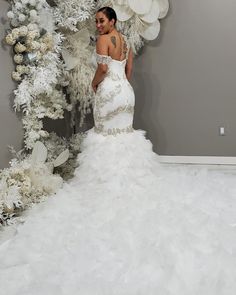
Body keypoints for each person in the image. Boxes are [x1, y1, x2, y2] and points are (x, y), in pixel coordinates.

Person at [0, 7, 236, 295]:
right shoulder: (123, 39)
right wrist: (118, 81)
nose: (97, 24)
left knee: (106, 136)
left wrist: (95, 84)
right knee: (123, 135)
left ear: (112, 20)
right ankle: (130, 180)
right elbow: (129, 68)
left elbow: (100, 69)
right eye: (96, 21)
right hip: (125, 92)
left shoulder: (102, 41)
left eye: (101, 20)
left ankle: (108, 184)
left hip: (109, 93)